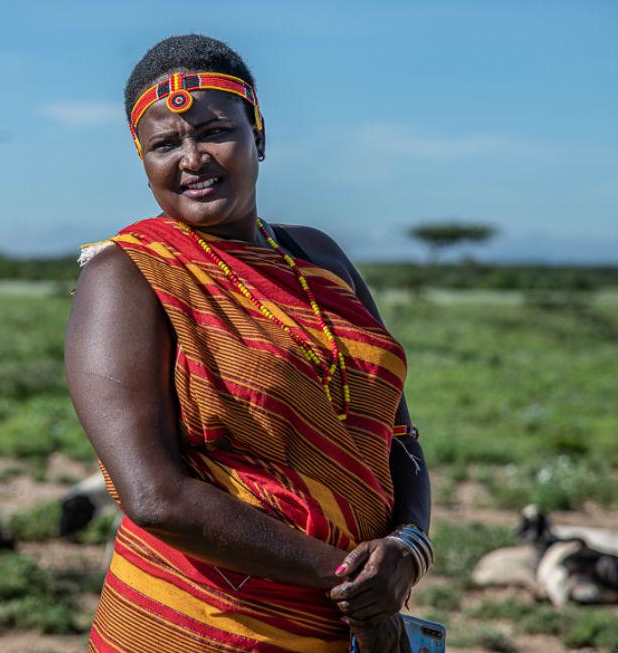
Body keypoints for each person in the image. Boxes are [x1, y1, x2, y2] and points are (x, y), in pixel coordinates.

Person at [65, 34, 433, 653]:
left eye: (214, 131)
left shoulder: (321, 257)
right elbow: (155, 497)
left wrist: (408, 547)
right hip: (198, 625)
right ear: (143, 161)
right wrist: (356, 586)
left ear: (258, 133)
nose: (191, 158)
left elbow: (400, 434)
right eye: (164, 144)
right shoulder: (125, 276)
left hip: (349, 623)